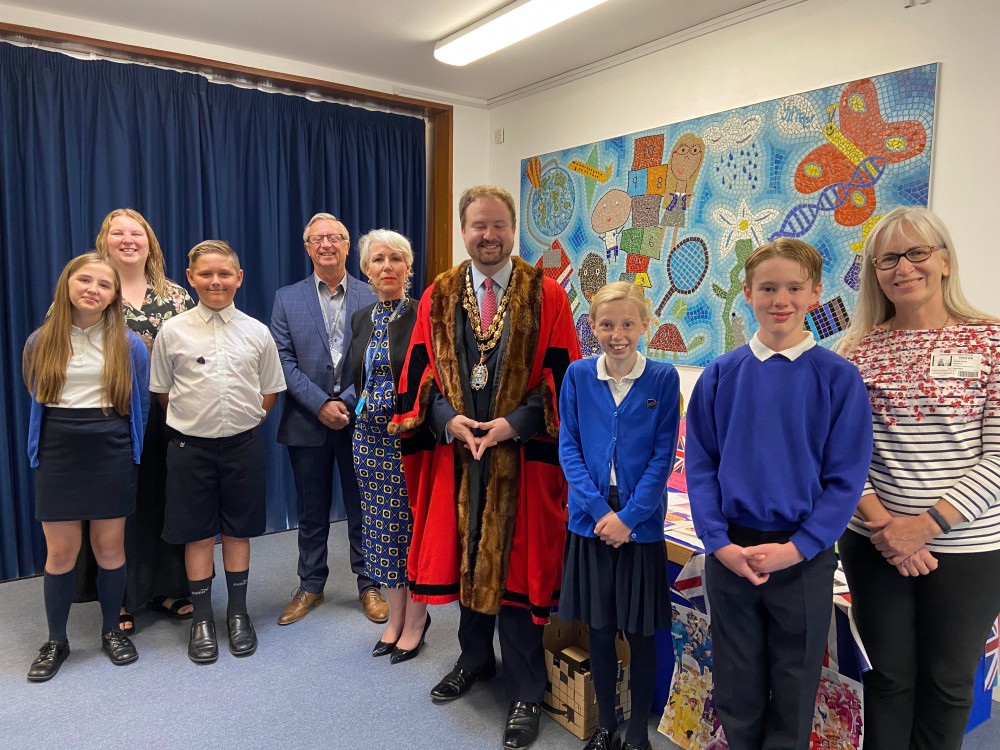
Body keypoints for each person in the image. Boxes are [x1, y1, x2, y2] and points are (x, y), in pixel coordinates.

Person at [391, 185, 580, 749]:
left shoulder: (547, 295)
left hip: (521, 462)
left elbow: (562, 375)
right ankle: (475, 660)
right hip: (458, 456)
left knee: (518, 576)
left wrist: (513, 425)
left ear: (512, 228)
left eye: (498, 225)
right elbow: (419, 369)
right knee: (465, 559)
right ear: (463, 229)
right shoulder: (438, 293)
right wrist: (447, 418)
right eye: (478, 226)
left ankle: (527, 688)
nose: (489, 236)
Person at [685, 238, 872, 750]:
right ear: (747, 293)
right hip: (731, 553)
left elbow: (845, 479)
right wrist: (718, 542)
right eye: (768, 288)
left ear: (815, 294)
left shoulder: (839, 379)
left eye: (793, 288)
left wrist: (798, 547)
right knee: (736, 680)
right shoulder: (721, 375)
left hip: (803, 555)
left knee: (795, 684)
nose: (780, 299)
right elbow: (702, 468)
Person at [836, 206, 1000, 750]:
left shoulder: (991, 342)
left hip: (968, 546)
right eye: (887, 259)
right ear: (875, 272)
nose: (903, 267)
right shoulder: (854, 351)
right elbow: (838, 454)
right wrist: (888, 529)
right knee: (887, 678)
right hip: (873, 543)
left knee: (949, 683)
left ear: (946, 261)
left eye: (917, 252)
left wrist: (924, 526)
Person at [557, 281, 680, 750]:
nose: (617, 334)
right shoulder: (578, 376)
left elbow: (661, 457)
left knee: (641, 634)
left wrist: (628, 518)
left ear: (644, 325)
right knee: (602, 630)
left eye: (628, 323)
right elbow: (569, 445)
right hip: (590, 521)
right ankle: (606, 724)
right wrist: (594, 509)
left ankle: (636, 734)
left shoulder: (663, 379)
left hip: (639, 526)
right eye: (607, 324)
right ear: (592, 327)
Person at [150, 240, 285, 664]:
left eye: (224, 274)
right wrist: (201, 424)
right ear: (190, 279)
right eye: (205, 274)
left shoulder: (256, 331)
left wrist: (239, 424)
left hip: (243, 447)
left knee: (237, 531)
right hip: (190, 449)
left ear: (239, 279)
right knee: (197, 533)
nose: (215, 281)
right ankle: (203, 619)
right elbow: (163, 394)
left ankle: (238, 614)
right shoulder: (172, 332)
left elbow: (268, 392)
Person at [23, 252, 150, 681]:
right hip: (58, 451)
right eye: (85, 280)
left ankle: (112, 630)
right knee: (60, 552)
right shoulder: (40, 342)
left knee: (110, 548)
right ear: (68, 284)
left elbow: (140, 404)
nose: (93, 289)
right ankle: (56, 640)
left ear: (114, 296)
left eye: (104, 285)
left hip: (110, 451)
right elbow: (33, 387)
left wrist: (131, 451)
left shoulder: (129, 344)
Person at [83, 208, 196, 633]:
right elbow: (61, 345)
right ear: (105, 241)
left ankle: (168, 588)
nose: (128, 239)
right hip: (110, 416)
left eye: (137, 233)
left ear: (149, 242)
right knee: (120, 507)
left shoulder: (176, 296)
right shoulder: (91, 288)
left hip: (170, 414)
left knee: (167, 500)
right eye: (118, 233)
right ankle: (121, 597)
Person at [270, 213, 385, 625]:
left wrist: (349, 402)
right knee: (311, 511)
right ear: (307, 247)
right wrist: (320, 403)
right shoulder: (287, 298)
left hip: (361, 421)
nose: (326, 245)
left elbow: (378, 358)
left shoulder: (371, 294)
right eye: (317, 239)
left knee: (361, 506)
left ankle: (368, 584)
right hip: (306, 420)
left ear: (347, 245)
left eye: (334, 237)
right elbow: (281, 361)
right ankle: (311, 585)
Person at [348, 229, 429, 662]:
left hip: (407, 444)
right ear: (366, 270)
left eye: (396, 259)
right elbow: (357, 379)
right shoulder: (362, 318)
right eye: (378, 260)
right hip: (367, 443)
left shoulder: (423, 315)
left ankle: (417, 621)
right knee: (381, 534)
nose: (387, 267)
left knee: (411, 533)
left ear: (408, 268)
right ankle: (395, 619)